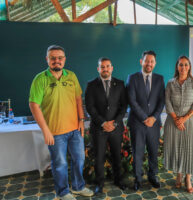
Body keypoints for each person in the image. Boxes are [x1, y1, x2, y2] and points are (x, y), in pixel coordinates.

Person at [29, 45, 94, 200]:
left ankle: (78, 187)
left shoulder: (71, 76)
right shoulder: (40, 79)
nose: (56, 61)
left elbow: (78, 99)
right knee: (60, 164)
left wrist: (81, 120)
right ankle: (63, 192)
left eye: (60, 58)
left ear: (64, 60)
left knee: (79, 160)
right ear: (47, 59)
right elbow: (34, 105)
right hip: (55, 133)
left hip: (75, 130)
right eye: (53, 58)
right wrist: (45, 130)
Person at [85, 57, 127, 194]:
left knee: (117, 155)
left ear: (112, 68)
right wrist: (103, 122)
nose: (105, 69)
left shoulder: (120, 84)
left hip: (116, 127)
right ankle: (99, 184)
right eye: (102, 67)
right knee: (99, 158)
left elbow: (123, 106)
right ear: (98, 69)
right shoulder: (91, 85)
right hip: (99, 128)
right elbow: (90, 108)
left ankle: (118, 180)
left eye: (108, 66)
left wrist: (114, 123)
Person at [126, 50, 165, 191]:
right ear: (141, 61)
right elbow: (132, 101)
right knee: (138, 153)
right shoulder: (132, 78)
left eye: (152, 61)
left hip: (154, 124)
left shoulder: (160, 79)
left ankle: (152, 176)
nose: (149, 63)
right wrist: (145, 118)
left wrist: (153, 118)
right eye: (146, 60)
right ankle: (138, 179)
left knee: (154, 152)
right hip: (138, 123)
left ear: (155, 63)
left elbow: (161, 101)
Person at [164, 56, 193, 193]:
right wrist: (176, 119)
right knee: (176, 149)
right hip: (173, 122)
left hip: (190, 122)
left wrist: (184, 119)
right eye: (181, 65)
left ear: (189, 66)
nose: (183, 67)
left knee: (189, 150)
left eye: (186, 65)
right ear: (177, 67)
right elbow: (167, 102)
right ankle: (178, 175)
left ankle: (188, 178)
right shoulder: (170, 83)